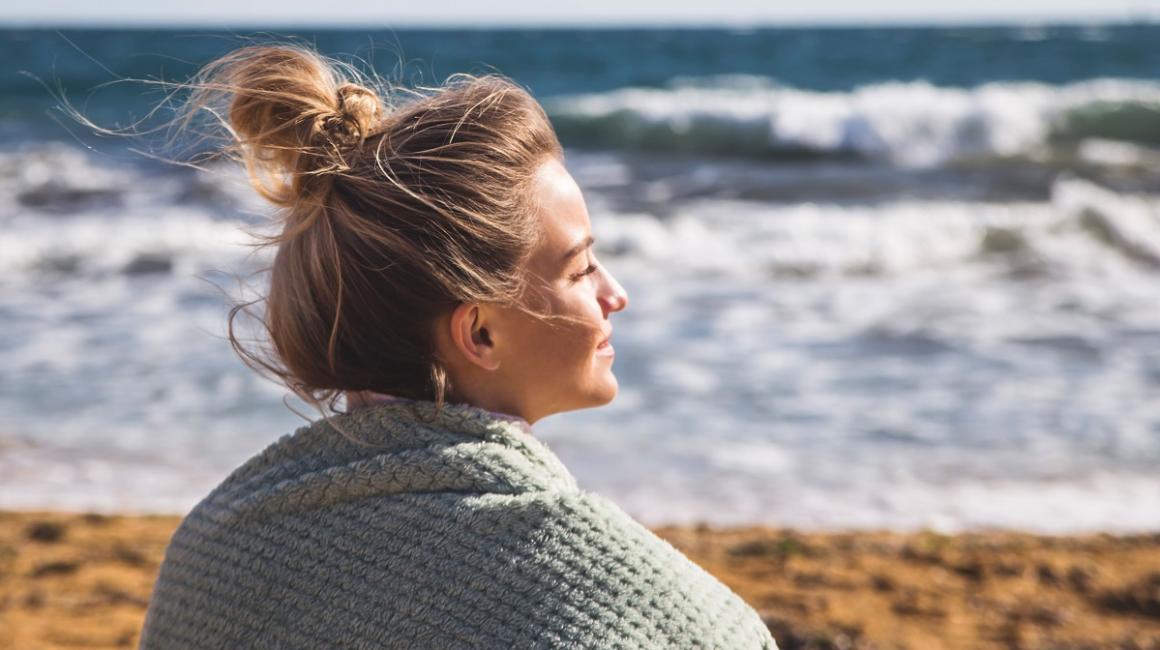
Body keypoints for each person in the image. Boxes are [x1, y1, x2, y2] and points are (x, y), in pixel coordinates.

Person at [137, 43, 777, 649]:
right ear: (479, 333)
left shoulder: (214, 551)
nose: (616, 294)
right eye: (581, 269)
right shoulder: (643, 607)